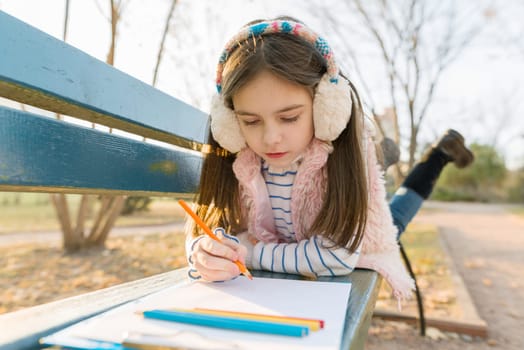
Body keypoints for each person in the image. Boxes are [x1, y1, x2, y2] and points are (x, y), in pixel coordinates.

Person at [184, 17, 471, 300]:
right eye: (250, 121)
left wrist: (250, 253)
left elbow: (337, 255)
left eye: (289, 117)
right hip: (308, 233)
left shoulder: (341, 153)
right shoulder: (240, 161)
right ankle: (385, 155)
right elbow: (207, 231)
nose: (271, 138)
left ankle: (437, 155)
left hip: (358, 214)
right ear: (230, 123)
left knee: (396, 216)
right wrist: (205, 253)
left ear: (326, 109)